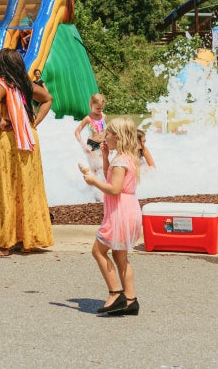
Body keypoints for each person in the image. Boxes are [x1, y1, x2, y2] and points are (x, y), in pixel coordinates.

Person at [0, 48, 53, 256]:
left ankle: (4, 245)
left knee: (8, 189)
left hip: (10, 141)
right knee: (27, 189)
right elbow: (47, 99)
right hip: (28, 138)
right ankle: (25, 238)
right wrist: (34, 122)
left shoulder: (0, 84)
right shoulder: (25, 84)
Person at [82, 117, 143, 316]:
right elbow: (113, 177)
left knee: (98, 251)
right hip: (129, 209)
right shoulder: (129, 158)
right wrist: (106, 157)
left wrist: (93, 182)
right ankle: (131, 299)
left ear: (118, 136)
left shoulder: (120, 162)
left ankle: (115, 293)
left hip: (119, 212)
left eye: (108, 133)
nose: (104, 136)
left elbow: (114, 189)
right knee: (120, 255)